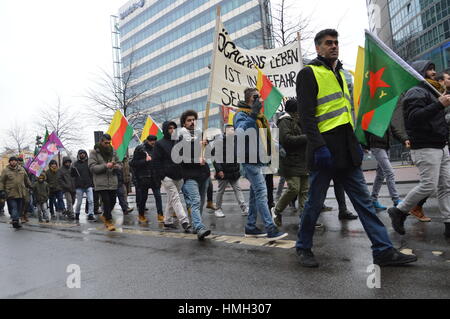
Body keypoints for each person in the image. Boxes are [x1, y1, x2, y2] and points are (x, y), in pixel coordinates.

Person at [295, 29, 417, 267]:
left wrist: (356, 143)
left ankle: (382, 250)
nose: (334, 46)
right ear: (318, 48)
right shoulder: (308, 73)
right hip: (324, 151)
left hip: (346, 149)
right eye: (328, 43)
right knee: (313, 204)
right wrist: (320, 148)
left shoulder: (340, 73)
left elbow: (345, 115)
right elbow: (307, 118)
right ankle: (303, 247)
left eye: (336, 43)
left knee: (364, 203)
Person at [388, 60, 450, 238]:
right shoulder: (416, 91)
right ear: (418, 72)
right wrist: (439, 104)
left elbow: (436, 120)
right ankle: (399, 211)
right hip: (425, 146)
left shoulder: (434, 91)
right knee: (429, 185)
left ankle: (448, 222)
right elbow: (414, 118)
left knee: (446, 186)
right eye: (429, 69)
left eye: (433, 68)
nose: (433, 71)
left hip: (440, 146)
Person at [234, 88, 288, 241]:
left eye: (260, 97)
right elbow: (240, 133)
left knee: (254, 195)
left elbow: (264, 139)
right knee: (261, 193)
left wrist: (278, 148)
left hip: (259, 160)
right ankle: (270, 228)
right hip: (249, 161)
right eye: (256, 97)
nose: (260, 100)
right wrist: (252, 115)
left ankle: (251, 226)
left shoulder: (259, 117)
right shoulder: (241, 115)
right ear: (249, 99)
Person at [271, 99, 308, 226]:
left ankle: (304, 218)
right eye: (298, 110)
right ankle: (277, 210)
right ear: (294, 110)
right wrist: (305, 138)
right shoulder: (284, 121)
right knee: (294, 188)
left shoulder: (299, 120)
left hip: (303, 161)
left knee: (304, 191)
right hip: (290, 161)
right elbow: (286, 139)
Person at [177, 110, 212, 240]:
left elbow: (209, 154)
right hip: (190, 175)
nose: (192, 122)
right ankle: (199, 227)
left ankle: (196, 224)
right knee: (196, 201)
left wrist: (206, 146)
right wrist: (196, 160)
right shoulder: (180, 137)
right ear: (184, 123)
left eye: (193, 120)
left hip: (204, 174)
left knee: (201, 202)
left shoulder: (201, 135)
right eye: (189, 120)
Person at [152, 121, 191, 232]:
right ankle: (184, 221)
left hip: (179, 176)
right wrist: (162, 176)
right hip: (167, 177)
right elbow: (156, 162)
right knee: (175, 198)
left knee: (171, 199)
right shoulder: (159, 144)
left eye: (174, 128)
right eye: (170, 128)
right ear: (165, 130)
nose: (172, 130)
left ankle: (168, 221)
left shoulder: (179, 141)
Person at [365, 123, 410, 211]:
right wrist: (365, 146)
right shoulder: (373, 114)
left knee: (380, 175)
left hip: (386, 147)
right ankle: (396, 200)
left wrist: (404, 140)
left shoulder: (386, 115)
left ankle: (373, 200)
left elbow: (394, 131)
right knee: (389, 172)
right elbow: (365, 130)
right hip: (377, 147)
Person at [212, 124, 248, 218]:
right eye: (231, 130)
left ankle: (244, 208)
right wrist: (219, 170)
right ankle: (218, 209)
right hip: (223, 172)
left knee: (238, 189)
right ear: (225, 131)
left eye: (233, 129)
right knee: (221, 191)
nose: (233, 131)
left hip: (234, 171)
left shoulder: (236, 140)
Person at [89, 134, 122, 231]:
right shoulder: (94, 153)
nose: (108, 144)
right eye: (106, 143)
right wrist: (105, 166)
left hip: (112, 181)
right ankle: (109, 221)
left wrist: (116, 166)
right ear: (101, 142)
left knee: (113, 201)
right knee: (106, 202)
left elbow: (119, 164)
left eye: (109, 143)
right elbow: (92, 168)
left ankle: (105, 215)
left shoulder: (113, 151)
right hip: (101, 182)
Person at [131, 135, 163, 224]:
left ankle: (160, 214)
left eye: (155, 142)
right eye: (152, 142)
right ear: (147, 141)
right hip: (144, 178)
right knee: (143, 198)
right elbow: (133, 163)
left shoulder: (157, 149)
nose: (153, 144)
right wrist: (145, 161)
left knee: (158, 196)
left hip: (155, 177)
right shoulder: (140, 149)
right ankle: (141, 215)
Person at [0, 157, 31, 229]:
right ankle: (15, 221)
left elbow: (26, 179)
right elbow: (1, 181)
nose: (13, 162)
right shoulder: (5, 170)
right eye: (12, 161)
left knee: (19, 208)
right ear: (9, 162)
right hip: (10, 193)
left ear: (17, 162)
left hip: (21, 192)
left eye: (15, 161)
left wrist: (30, 186)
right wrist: (1, 190)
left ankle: (15, 219)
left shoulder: (22, 169)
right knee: (14, 207)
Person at [71, 150, 95, 221]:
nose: (82, 155)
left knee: (91, 200)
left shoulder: (89, 163)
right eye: (80, 154)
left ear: (85, 154)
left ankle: (91, 214)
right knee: (79, 202)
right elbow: (72, 175)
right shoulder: (75, 164)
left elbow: (91, 174)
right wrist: (72, 170)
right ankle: (77, 213)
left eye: (83, 153)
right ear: (78, 155)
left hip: (88, 185)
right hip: (79, 186)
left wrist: (92, 184)